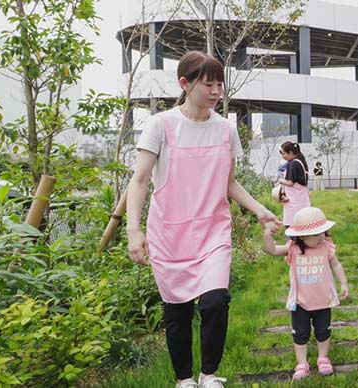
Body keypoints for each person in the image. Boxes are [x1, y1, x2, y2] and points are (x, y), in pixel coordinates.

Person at [125, 50, 281, 388]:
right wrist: (133, 230)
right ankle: (184, 380)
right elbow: (139, 180)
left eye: (219, 84)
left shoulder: (225, 129)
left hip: (213, 230)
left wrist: (259, 209)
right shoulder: (161, 126)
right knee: (177, 312)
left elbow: (230, 182)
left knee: (215, 301)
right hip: (169, 233)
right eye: (208, 84)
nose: (216, 91)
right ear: (185, 83)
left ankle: (209, 375)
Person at [262, 207, 349, 380]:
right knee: (300, 334)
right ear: (301, 236)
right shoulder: (293, 249)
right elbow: (271, 250)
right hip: (300, 302)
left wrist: (344, 282)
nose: (321, 237)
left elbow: (336, 265)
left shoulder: (326, 247)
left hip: (323, 301)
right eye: (315, 235)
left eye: (322, 233)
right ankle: (302, 363)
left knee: (323, 331)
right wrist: (267, 236)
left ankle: (323, 358)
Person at [277, 141, 311, 227]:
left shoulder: (293, 163)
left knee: (292, 225)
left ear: (291, 153)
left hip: (294, 200)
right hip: (301, 198)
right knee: (303, 223)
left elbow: (290, 182)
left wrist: (279, 181)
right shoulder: (301, 161)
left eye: (284, 154)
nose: (283, 156)